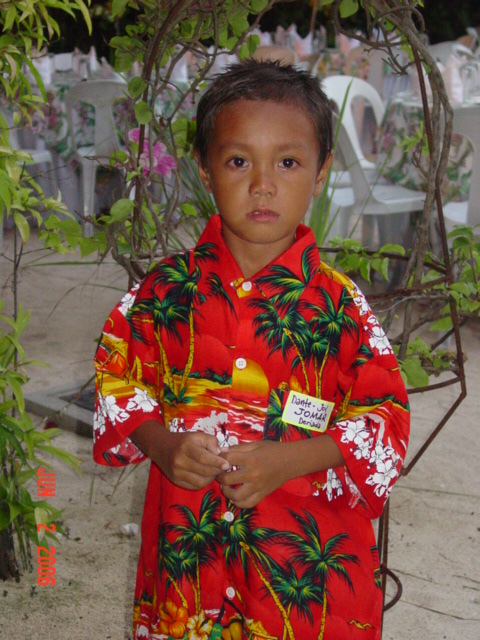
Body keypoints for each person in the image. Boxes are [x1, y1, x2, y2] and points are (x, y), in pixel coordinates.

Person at [93, 60, 410, 640]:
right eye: (239, 161)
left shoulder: (342, 309)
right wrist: (163, 445)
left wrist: (290, 460)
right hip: (189, 581)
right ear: (205, 169)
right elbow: (117, 380)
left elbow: (386, 421)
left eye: (287, 162)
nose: (263, 184)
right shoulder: (163, 294)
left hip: (304, 592)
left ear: (321, 171)